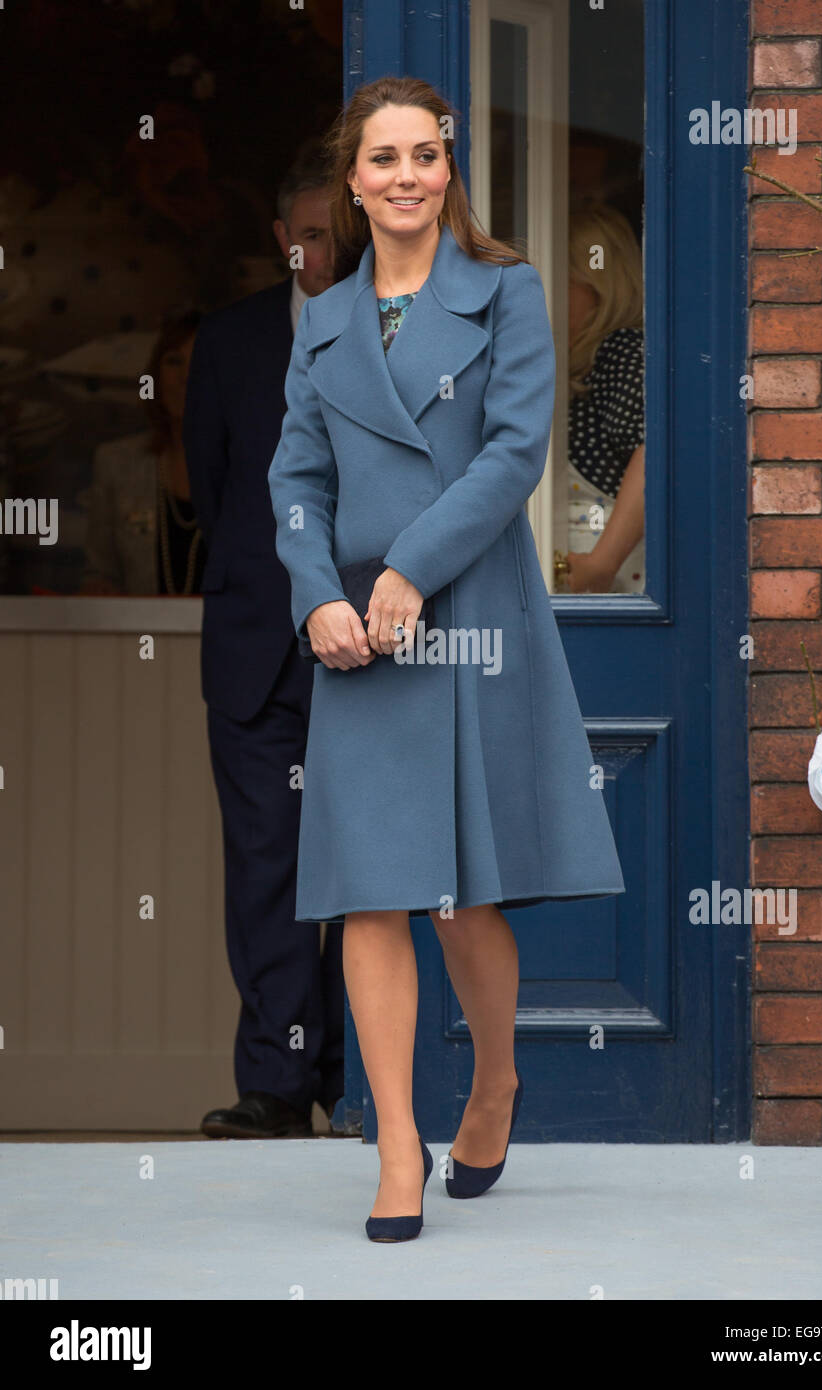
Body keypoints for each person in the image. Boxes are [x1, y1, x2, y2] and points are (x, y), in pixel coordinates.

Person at [268, 76, 625, 1241]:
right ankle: (396, 1148)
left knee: (463, 898)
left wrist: (409, 570)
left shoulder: (508, 291)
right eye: (382, 160)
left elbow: (515, 451)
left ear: (447, 166)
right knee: (370, 898)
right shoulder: (319, 318)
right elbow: (295, 481)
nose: (405, 177)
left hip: (462, 615)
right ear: (352, 179)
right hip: (358, 639)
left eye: (424, 155)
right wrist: (317, 593)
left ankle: (493, 1084)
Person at [183, 146, 344, 1140]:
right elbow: (214, 490)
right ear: (281, 240)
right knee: (265, 871)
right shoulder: (231, 341)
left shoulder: (393, 333)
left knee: (373, 867)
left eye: (343, 231)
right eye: (313, 231)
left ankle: (352, 1075)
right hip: (255, 650)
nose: (326, 250)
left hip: (366, 645)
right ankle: (278, 1090)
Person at [81, 310, 207, 595]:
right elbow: (100, 573)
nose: (186, 376)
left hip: (230, 637)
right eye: (174, 361)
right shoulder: (117, 462)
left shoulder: (254, 466)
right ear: (155, 378)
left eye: (201, 360)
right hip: (140, 636)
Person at [563, 205, 646, 594]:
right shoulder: (582, 363)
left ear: (599, 287)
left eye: (563, 280)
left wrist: (601, 564)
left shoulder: (621, 351)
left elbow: (650, 453)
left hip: (611, 586)